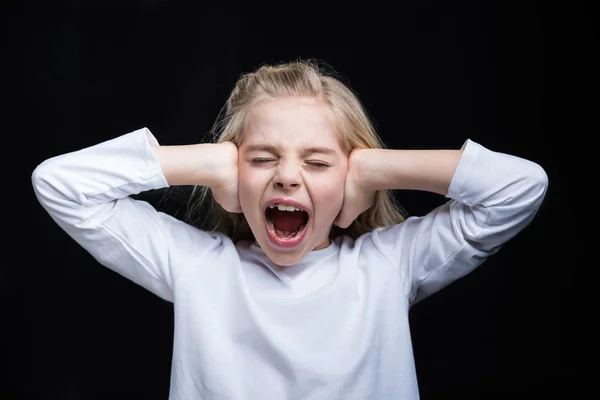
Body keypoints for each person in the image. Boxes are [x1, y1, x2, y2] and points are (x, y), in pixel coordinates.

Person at [31, 59, 548, 399]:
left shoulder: (388, 263)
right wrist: (206, 163)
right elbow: (59, 185)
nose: (285, 175)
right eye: (261, 159)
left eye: (318, 163)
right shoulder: (198, 266)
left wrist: (374, 168)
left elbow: (520, 188)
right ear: (234, 174)